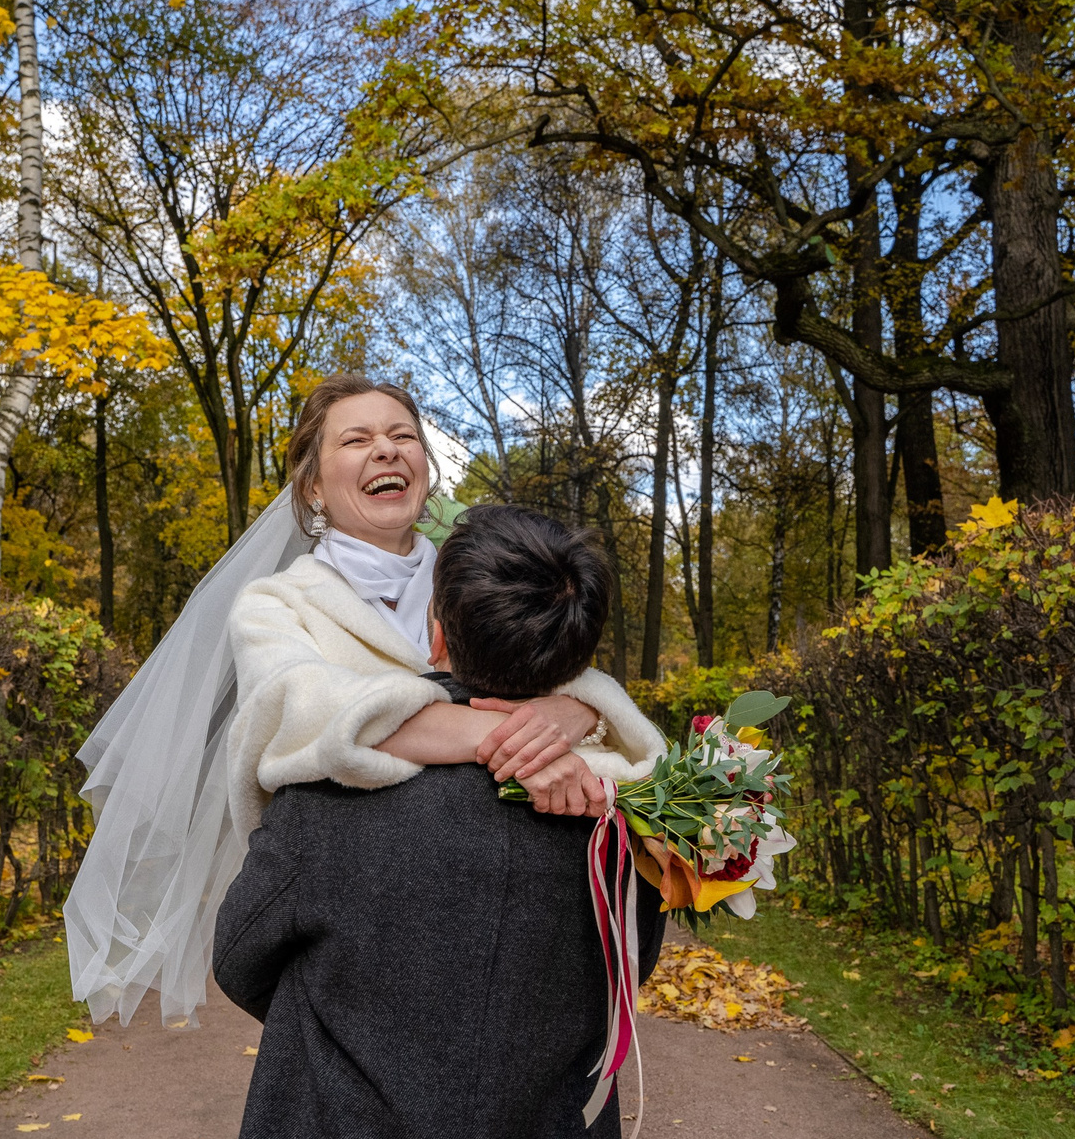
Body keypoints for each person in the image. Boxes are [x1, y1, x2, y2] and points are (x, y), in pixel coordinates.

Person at [65, 374, 661, 1031]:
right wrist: (523, 739)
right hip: (366, 904)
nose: (386, 448)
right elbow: (296, 708)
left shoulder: (486, 568)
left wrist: (579, 711)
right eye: (356, 439)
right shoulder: (276, 604)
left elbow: (564, 660)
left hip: (509, 908)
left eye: (403, 435)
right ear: (312, 488)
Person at [211, 504, 665, 1139]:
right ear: (579, 655)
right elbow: (625, 971)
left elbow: (238, 960)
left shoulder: (328, 799)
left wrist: (363, 1027)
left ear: (436, 632)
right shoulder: (626, 819)